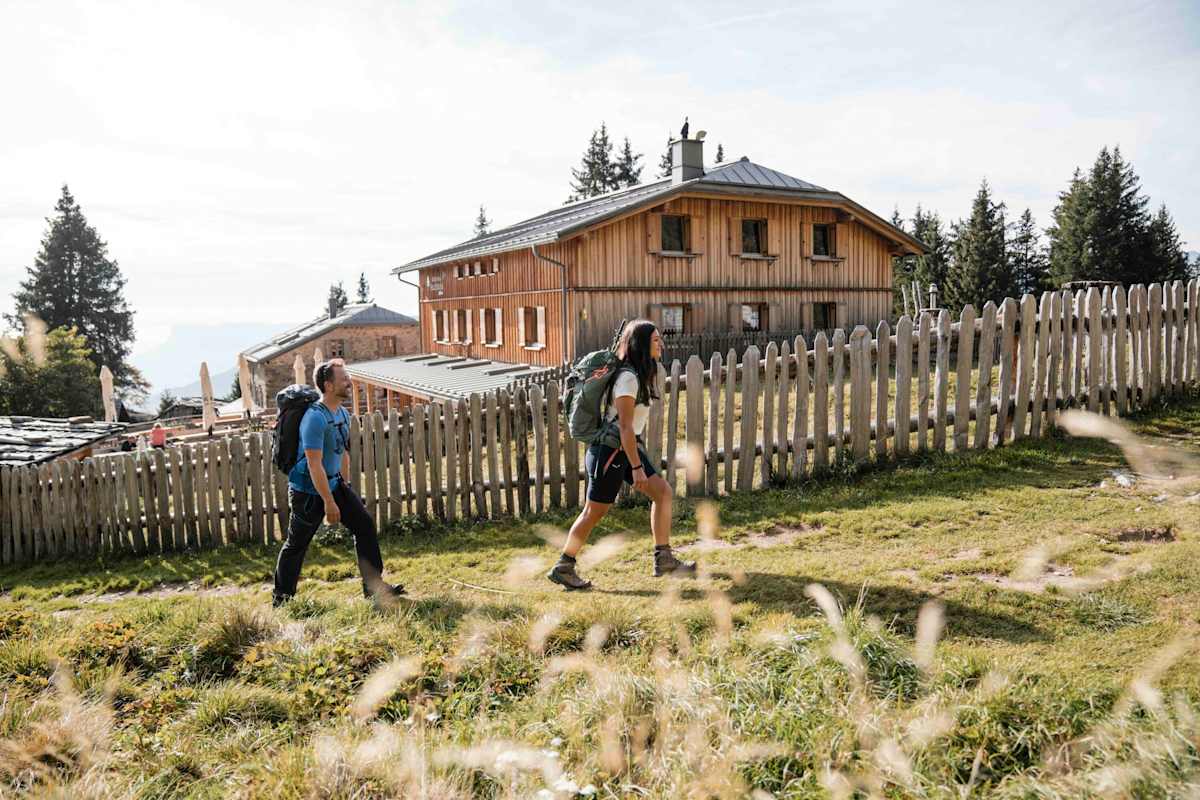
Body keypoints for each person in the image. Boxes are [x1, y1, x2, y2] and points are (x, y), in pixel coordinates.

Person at [548, 320, 696, 590]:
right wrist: (637, 468)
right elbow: (625, 427)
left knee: (662, 492)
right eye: (655, 340)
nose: (661, 344)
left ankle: (663, 558)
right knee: (594, 511)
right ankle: (564, 565)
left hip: (623, 449)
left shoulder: (639, 374)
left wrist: (636, 461)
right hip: (610, 452)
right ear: (641, 344)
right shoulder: (628, 379)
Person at [272, 358, 405, 606]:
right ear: (329, 385)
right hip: (308, 492)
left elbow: (341, 451)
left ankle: (374, 588)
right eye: (343, 378)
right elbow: (314, 464)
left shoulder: (341, 413)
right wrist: (329, 502)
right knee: (297, 544)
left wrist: (345, 487)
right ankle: (282, 598)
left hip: (333, 484)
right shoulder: (314, 418)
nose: (349, 381)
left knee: (364, 526)